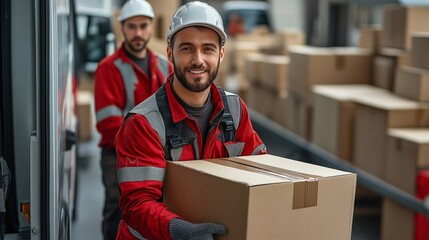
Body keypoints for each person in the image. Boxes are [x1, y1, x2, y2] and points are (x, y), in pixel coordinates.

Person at [115, 1, 267, 239]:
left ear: (221, 54)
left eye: (208, 49)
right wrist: (180, 229)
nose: (198, 60)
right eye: (187, 49)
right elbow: (137, 204)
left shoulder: (235, 109)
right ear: (169, 53)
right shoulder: (144, 123)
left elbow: (260, 169)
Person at [94, 0, 173, 239]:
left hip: (157, 155)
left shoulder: (164, 65)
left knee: (154, 213)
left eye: (143, 26)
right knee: (117, 212)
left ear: (151, 27)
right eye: (132, 26)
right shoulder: (108, 68)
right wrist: (146, 140)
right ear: (122, 28)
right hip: (116, 156)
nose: (138, 33)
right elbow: (107, 123)